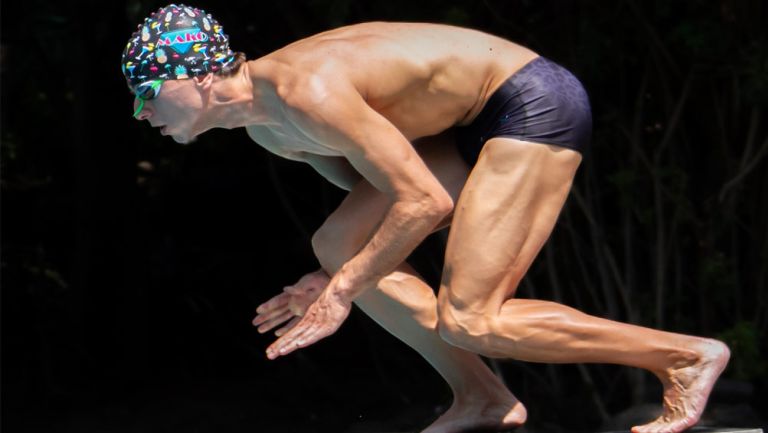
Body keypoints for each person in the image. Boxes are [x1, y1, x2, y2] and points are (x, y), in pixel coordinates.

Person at [122, 4, 730, 433]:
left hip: (526, 102)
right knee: (334, 242)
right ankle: (481, 396)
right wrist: (331, 278)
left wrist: (343, 293)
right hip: (458, 133)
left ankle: (681, 356)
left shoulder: (307, 92)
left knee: (472, 318)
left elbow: (425, 203)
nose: (141, 114)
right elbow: (389, 204)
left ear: (197, 75)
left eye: (145, 93)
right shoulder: (271, 133)